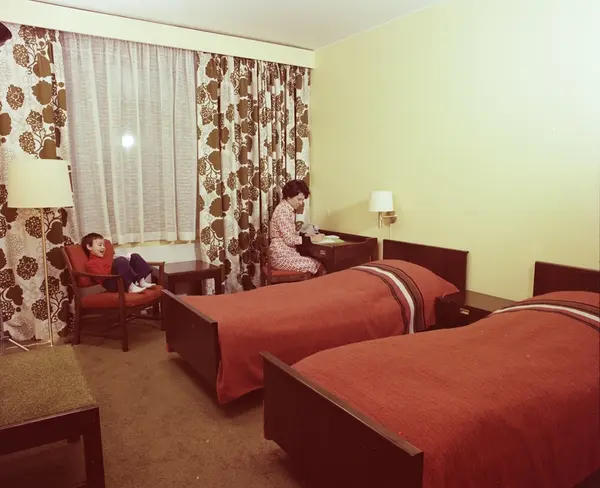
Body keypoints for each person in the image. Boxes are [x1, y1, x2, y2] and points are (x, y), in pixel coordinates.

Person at [270, 179, 326, 275]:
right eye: (299, 199)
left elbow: (288, 234)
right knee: (318, 265)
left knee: (315, 261)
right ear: (289, 196)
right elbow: (289, 240)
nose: (301, 203)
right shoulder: (283, 211)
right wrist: (312, 239)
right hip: (281, 257)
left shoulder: (286, 209)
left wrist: (306, 236)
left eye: (302, 200)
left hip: (286, 254)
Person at [81, 232, 156, 294]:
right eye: (100, 245)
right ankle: (130, 288)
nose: (103, 247)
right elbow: (102, 276)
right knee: (120, 260)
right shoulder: (90, 263)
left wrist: (126, 261)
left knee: (134, 256)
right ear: (89, 247)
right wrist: (116, 264)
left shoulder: (106, 257)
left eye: (103, 245)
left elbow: (119, 266)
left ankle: (141, 281)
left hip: (122, 279)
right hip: (112, 284)